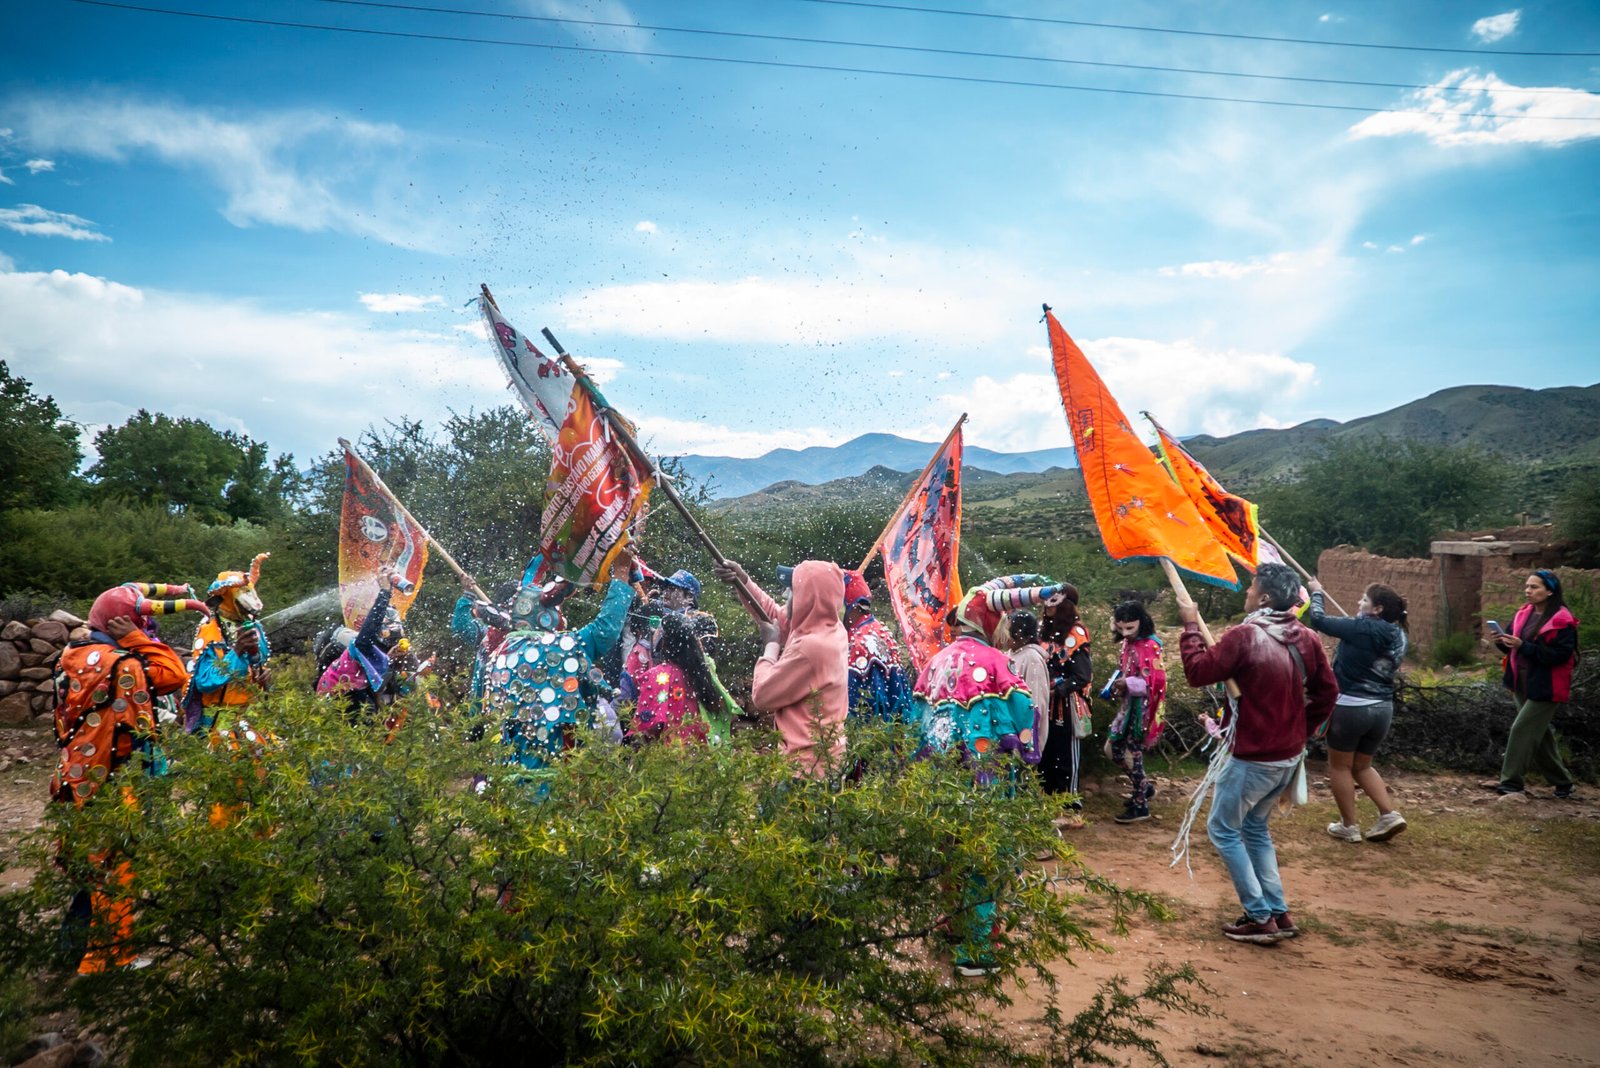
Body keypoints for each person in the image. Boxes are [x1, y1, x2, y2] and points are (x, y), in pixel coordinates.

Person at [1178, 562, 1337, 945]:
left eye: (1251, 587)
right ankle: (1278, 912)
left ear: (1264, 596)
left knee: (1223, 830)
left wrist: (1189, 627)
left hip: (1252, 756)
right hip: (1287, 755)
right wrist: (1298, 729)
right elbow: (1327, 693)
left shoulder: (1244, 636)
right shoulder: (1306, 637)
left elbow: (1198, 672)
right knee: (1254, 829)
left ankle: (1259, 915)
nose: (1247, 593)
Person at [52, 582, 207, 973]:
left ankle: (68, 953)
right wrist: (137, 639)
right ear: (123, 622)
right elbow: (174, 676)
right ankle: (106, 958)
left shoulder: (71, 656)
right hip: (114, 776)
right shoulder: (124, 664)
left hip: (77, 773)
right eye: (140, 620)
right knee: (116, 866)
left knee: (92, 867)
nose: (146, 627)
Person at [913, 575, 1061, 975]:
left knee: (950, 854)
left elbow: (916, 725)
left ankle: (954, 928)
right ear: (990, 624)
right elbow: (1023, 717)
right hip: (984, 782)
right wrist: (1027, 750)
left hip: (938, 781)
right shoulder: (997, 662)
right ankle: (976, 952)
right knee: (982, 859)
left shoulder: (934, 662)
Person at [480, 548, 635, 776]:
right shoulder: (556, 650)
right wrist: (621, 574)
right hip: (551, 781)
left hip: (505, 779)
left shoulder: (499, 654)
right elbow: (605, 630)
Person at [714, 558, 849, 777]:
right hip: (824, 761)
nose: (785, 595)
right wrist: (742, 580)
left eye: (792, 589)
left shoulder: (811, 648)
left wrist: (771, 646)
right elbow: (773, 616)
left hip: (805, 770)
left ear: (807, 599)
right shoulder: (829, 628)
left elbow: (762, 695)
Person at [1305, 578, 1409, 842]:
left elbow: (1317, 620)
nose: (1358, 602)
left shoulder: (1362, 627)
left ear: (1378, 609)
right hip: (1382, 708)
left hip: (1350, 708)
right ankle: (1388, 814)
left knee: (1339, 766)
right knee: (1362, 766)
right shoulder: (1398, 634)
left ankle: (1349, 826)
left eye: (1364, 600)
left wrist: (1317, 593)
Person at [1486, 569, 1579, 799]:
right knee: (1540, 734)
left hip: (1547, 687)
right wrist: (1502, 642)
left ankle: (1510, 783)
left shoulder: (1562, 620)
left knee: (1522, 729)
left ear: (1550, 591)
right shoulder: (1523, 614)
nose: (1528, 591)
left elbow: (1559, 656)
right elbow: (1512, 647)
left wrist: (1522, 646)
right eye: (1527, 586)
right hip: (1521, 682)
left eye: (1534, 587)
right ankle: (1563, 783)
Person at [186, 553, 272, 738]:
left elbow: (257, 668)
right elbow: (205, 682)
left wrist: (263, 679)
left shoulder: (254, 628)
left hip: (253, 719)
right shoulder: (210, 630)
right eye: (243, 592)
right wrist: (237, 651)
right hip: (219, 725)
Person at [629, 611, 741, 746]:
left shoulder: (658, 676)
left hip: (668, 755)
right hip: (701, 752)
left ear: (665, 641)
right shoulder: (703, 669)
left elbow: (647, 727)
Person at [1106, 601, 1167, 825]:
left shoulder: (1150, 645)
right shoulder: (1128, 643)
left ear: (1142, 622)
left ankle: (1141, 803)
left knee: (1132, 753)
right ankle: (1144, 787)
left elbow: (1157, 680)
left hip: (1141, 711)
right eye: (1121, 628)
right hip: (1127, 706)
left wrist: (1128, 683)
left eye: (1129, 628)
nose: (1125, 633)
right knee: (1115, 750)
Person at [1038, 590, 1092, 828]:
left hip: (1067, 706)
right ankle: (1049, 805)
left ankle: (1072, 810)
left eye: (1054, 603)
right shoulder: (1045, 630)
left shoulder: (1075, 634)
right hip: (1045, 704)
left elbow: (1082, 675)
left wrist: (1057, 689)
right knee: (1047, 754)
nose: (1047, 607)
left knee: (1066, 757)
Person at [843, 569, 913, 723]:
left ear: (851, 606)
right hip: (894, 734)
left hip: (874, 738)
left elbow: (856, 708)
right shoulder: (876, 630)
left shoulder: (860, 642)